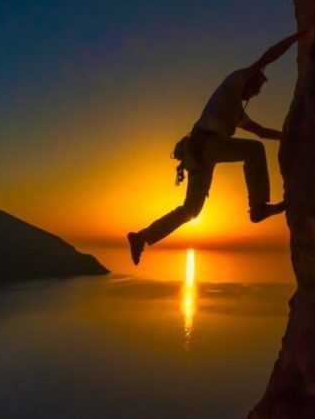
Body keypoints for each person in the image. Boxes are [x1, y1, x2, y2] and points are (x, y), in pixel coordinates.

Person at [127, 32, 299, 265]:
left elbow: (260, 131)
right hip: (206, 146)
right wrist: (297, 37)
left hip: (198, 154)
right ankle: (258, 208)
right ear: (250, 79)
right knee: (254, 151)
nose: (255, 94)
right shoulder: (233, 84)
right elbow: (267, 58)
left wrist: (288, 136)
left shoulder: (235, 111)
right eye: (256, 88)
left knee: (191, 211)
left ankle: (142, 237)